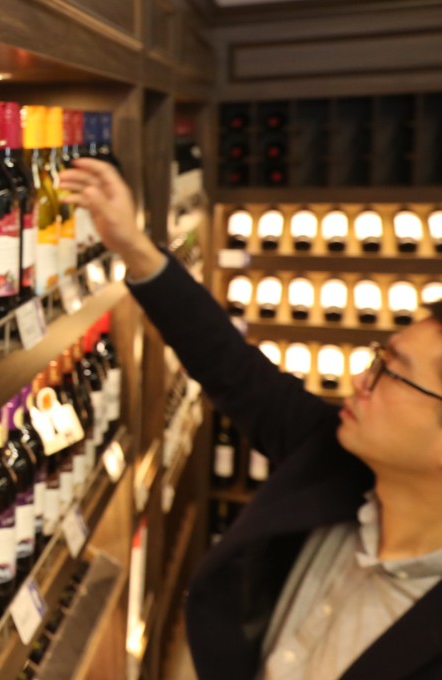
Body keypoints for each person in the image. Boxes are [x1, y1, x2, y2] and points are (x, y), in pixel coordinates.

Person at [58, 158, 442, 680]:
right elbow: (229, 366)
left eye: (389, 373)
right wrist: (134, 246)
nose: (358, 380)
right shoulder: (336, 462)